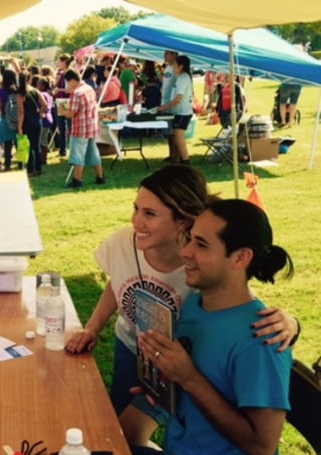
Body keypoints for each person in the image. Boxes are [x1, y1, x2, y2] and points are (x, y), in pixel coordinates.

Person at [64, 165, 298, 416]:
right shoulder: (124, 242)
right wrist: (92, 328)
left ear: (183, 220)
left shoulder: (199, 264)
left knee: (165, 420)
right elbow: (117, 281)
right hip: (131, 345)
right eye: (136, 209)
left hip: (177, 363)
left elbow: (234, 303)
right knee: (121, 419)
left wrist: (291, 324)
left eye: (150, 214)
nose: (136, 221)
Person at [129, 199, 294, 455]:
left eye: (201, 244)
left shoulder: (261, 340)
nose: (185, 252)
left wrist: (187, 378)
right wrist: (163, 387)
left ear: (240, 258)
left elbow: (262, 447)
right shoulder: (195, 305)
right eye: (190, 238)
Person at [62, 70, 105, 189]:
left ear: (71, 81)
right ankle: (100, 177)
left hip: (80, 128)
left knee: (77, 155)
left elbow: (71, 113)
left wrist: (63, 112)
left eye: (68, 83)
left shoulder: (77, 93)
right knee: (93, 153)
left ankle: (77, 180)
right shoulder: (89, 88)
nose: (68, 85)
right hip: (91, 126)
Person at [158, 55, 194, 165]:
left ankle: (185, 161)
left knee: (179, 140)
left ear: (181, 66)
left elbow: (178, 98)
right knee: (177, 139)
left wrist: (165, 106)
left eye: (175, 66)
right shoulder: (181, 78)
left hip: (183, 113)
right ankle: (182, 161)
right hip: (179, 112)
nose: (173, 68)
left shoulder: (183, 78)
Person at [16, 72, 48, 176]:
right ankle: (38, 168)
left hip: (26, 120)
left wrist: (19, 126)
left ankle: (30, 169)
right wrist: (40, 112)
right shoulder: (36, 91)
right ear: (29, 79)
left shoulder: (20, 94)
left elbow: (21, 112)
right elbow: (45, 105)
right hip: (36, 119)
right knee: (36, 146)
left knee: (28, 146)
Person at [52, 54, 73, 157]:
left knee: (69, 126)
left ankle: (71, 149)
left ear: (64, 62)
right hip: (60, 101)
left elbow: (70, 89)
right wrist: (56, 83)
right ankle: (62, 150)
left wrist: (59, 89)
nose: (57, 64)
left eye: (59, 61)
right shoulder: (60, 74)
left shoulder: (69, 74)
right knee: (61, 127)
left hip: (66, 101)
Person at [160, 50, 179, 162]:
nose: (164, 55)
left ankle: (177, 154)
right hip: (165, 102)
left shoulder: (176, 69)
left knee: (174, 131)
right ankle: (171, 153)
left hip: (172, 104)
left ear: (174, 55)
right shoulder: (167, 68)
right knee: (168, 131)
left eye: (167, 53)